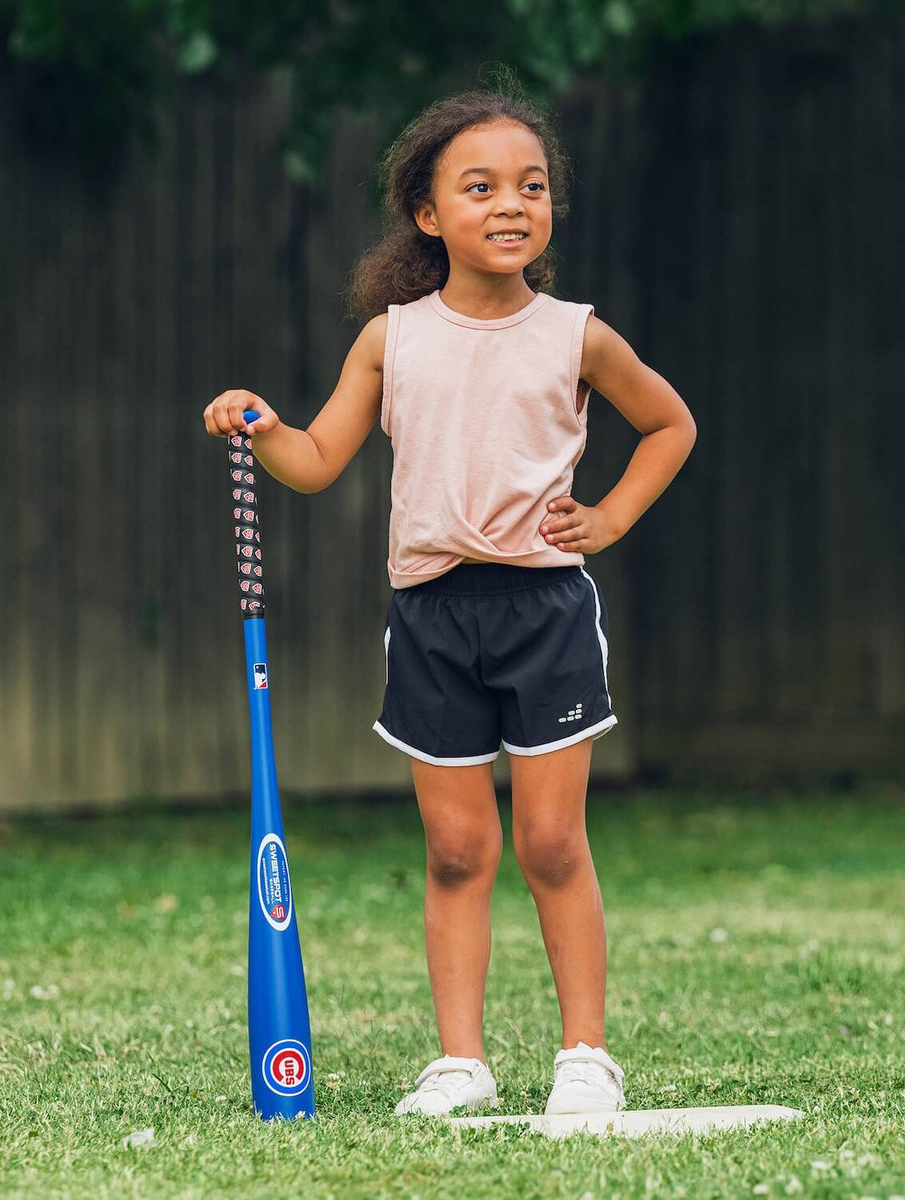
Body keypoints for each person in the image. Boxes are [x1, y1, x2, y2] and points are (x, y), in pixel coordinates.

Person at [203, 67, 696, 1119]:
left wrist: (608, 519)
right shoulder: (394, 337)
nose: (511, 204)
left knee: (553, 843)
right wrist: (262, 424)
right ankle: (461, 1062)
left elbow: (670, 424)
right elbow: (319, 457)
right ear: (428, 214)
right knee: (458, 847)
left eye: (530, 186)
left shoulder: (577, 334)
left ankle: (585, 1055)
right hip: (432, 616)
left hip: (546, 612)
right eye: (480, 187)